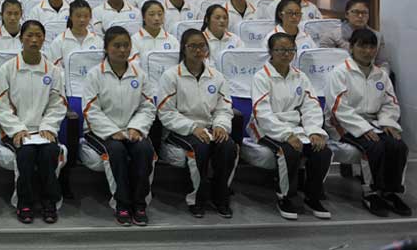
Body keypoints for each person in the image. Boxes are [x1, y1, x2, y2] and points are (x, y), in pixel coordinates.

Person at [327, 29, 410, 217]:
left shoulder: (381, 75)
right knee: (374, 146)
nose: (367, 51)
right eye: (362, 46)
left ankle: (390, 191)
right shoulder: (340, 73)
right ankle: (370, 192)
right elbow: (339, 108)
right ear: (351, 47)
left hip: (374, 122)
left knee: (398, 145)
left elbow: (390, 103)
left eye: (372, 47)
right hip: (343, 124)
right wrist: (362, 128)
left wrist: (387, 122)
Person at [248, 32, 331, 220]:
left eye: (290, 50)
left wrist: (314, 131)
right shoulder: (261, 77)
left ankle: (313, 196)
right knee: (288, 151)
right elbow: (262, 113)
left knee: (322, 151)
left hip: (295, 126)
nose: (286, 54)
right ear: (271, 51)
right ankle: (285, 196)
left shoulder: (301, 77)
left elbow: (311, 106)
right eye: (281, 50)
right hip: (265, 127)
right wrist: (286, 135)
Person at [0, 20, 67, 224]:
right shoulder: (7, 69)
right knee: (26, 153)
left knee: (50, 152)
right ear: (21, 39)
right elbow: (1, 106)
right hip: (15, 130)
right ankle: (24, 202)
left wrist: (48, 127)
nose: (34, 40)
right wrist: (17, 129)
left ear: (44, 39)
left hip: (42, 131)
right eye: (29, 36)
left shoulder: (53, 71)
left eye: (38, 36)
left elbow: (57, 104)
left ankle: (49, 202)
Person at [157, 29, 237, 218]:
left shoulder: (217, 77)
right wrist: (193, 128)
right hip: (180, 131)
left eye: (202, 45)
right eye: (192, 46)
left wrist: (220, 125)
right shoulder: (171, 76)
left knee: (228, 146)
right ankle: (196, 199)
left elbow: (224, 108)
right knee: (200, 147)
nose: (198, 50)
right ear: (183, 49)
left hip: (209, 127)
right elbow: (166, 112)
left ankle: (220, 196)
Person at [82, 26, 157, 226]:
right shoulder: (94, 75)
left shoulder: (139, 74)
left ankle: (139, 204)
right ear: (106, 48)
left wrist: (136, 128)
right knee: (115, 150)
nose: (122, 50)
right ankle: (122, 204)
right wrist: (112, 131)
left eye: (126, 45)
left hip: (131, 129)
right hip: (100, 132)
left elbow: (147, 106)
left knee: (144, 149)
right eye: (117, 46)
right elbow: (90, 110)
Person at [46, 0, 102, 68]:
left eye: (86, 16)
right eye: (78, 16)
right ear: (70, 17)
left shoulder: (97, 40)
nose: (82, 20)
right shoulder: (59, 41)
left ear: (90, 17)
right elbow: (52, 66)